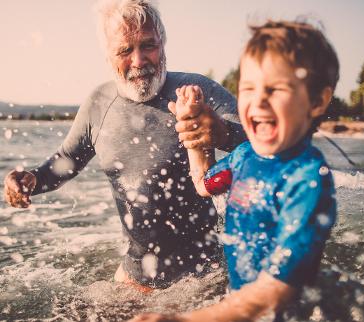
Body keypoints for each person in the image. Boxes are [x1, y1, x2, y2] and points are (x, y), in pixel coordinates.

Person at [3, 0, 245, 291]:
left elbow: (264, 141)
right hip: (135, 281)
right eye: (125, 50)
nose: (139, 60)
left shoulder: (197, 92)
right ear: (108, 56)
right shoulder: (98, 105)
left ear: (163, 44)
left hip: (207, 279)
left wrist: (221, 133)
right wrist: (32, 179)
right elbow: (66, 160)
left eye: (148, 46)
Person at [132, 19, 339, 321]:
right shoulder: (243, 157)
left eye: (276, 89)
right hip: (237, 306)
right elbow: (203, 184)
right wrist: (192, 133)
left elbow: (278, 289)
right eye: (249, 88)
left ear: (318, 100)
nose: (259, 101)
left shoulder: (307, 179)